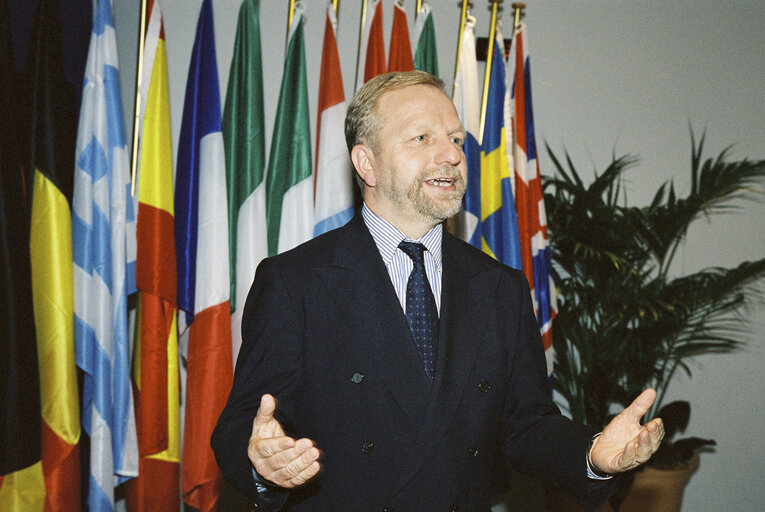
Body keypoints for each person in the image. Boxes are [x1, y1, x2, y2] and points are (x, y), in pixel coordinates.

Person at [211, 71, 664, 512]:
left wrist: (592, 457)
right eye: (422, 138)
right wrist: (261, 462)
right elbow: (243, 423)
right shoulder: (296, 281)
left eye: (456, 139)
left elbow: (527, 425)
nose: (451, 155)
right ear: (366, 163)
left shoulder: (500, 287)